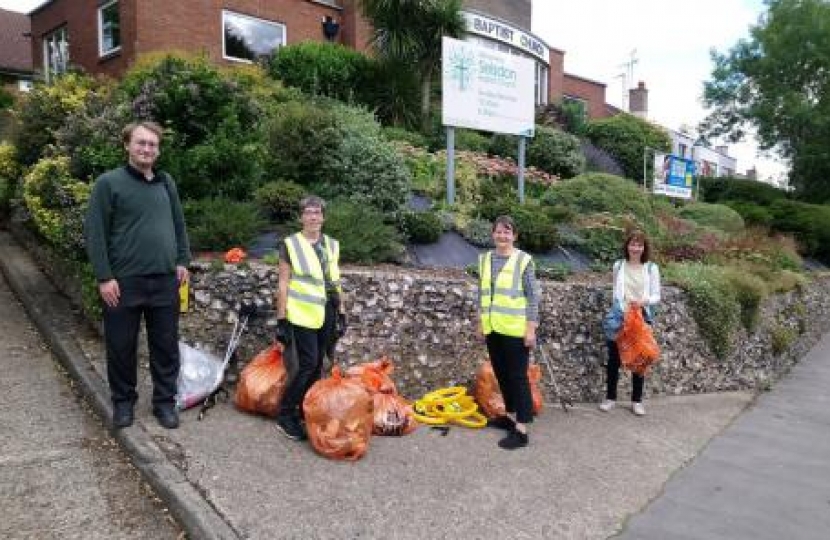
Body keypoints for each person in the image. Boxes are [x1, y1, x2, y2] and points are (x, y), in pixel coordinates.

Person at [84, 121, 191, 430]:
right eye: (141, 143)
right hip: (123, 283)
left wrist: (183, 259)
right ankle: (123, 403)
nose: (147, 149)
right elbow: (96, 233)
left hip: (164, 281)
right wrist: (104, 277)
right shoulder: (109, 184)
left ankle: (164, 403)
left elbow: (178, 224)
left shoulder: (166, 182)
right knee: (120, 347)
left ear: (158, 149)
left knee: (166, 347)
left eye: (152, 144)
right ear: (127, 145)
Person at [274, 196, 346, 441]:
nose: (313, 217)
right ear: (301, 217)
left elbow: (335, 280)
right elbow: (283, 283)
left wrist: (343, 312)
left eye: (317, 212)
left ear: (323, 217)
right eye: (308, 212)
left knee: (318, 366)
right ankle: (285, 415)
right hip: (301, 313)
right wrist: (281, 320)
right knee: (306, 364)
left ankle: (304, 409)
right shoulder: (291, 244)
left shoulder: (332, 245)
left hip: (327, 311)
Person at [477, 216, 540, 450]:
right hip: (493, 328)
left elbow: (533, 296)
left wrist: (530, 328)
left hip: (515, 329)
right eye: (498, 232)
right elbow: (483, 293)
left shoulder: (523, 261)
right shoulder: (485, 260)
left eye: (507, 232)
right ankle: (511, 417)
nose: (502, 236)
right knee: (502, 375)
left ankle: (522, 430)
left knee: (518, 378)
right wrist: (481, 323)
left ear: (515, 236)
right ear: (493, 234)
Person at [599, 230, 661, 416]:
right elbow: (615, 293)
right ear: (627, 246)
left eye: (639, 245)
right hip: (620, 316)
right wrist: (621, 309)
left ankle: (637, 401)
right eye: (633, 244)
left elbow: (657, 295)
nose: (635, 248)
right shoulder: (618, 265)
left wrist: (644, 302)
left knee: (639, 360)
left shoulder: (651, 268)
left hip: (641, 317)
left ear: (644, 248)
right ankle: (610, 398)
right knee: (614, 360)